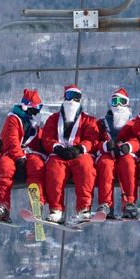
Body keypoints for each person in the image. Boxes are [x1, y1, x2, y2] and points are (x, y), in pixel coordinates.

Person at [36, 84, 103, 223]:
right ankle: (56, 209)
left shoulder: (88, 120)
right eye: (69, 96)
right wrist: (57, 148)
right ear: (64, 98)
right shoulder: (53, 119)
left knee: (86, 167)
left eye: (76, 97)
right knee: (54, 170)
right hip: (59, 153)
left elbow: (92, 138)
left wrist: (80, 148)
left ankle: (84, 208)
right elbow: (47, 137)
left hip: (79, 153)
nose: (72, 101)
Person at [93, 89, 140, 219]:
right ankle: (106, 204)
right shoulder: (102, 123)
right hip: (108, 154)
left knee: (128, 164)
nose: (118, 105)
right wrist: (105, 146)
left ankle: (129, 202)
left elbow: (138, 138)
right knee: (106, 165)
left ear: (127, 104)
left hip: (125, 154)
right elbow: (94, 142)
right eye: (114, 101)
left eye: (121, 101)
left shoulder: (133, 123)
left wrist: (129, 146)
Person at [0, 86, 45, 222]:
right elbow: (11, 140)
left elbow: (40, 139)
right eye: (37, 108)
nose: (37, 112)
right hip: (11, 153)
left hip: (28, 153)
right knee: (4, 166)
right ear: (29, 107)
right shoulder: (13, 120)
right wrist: (19, 157)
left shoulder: (32, 123)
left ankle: (36, 202)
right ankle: (2, 206)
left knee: (36, 165)